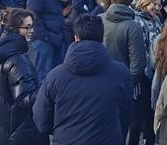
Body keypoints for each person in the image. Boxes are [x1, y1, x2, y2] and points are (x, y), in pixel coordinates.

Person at [33, 14, 133, 145]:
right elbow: (126, 113)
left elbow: (42, 120)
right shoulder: (121, 73)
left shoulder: (54, 76)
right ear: (103, 39)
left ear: (76, 38)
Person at [0, 8, 45, 145]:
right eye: (27, 27)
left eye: (32, 26)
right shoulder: (17, 59)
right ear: (14, 28)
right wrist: (47, 90)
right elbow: (24, 99)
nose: (31, 31)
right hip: (15, 131)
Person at [130, 0, 163, 145]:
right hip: (142, 73)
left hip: (155, 71)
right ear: (145, 3)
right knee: (138, 113)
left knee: (152, 110)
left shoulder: (157, 20)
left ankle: (149, 140)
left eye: (159, 5)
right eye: (153, 4)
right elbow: (139, 49)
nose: (156, 8)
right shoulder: (137, 21)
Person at [26, 0, 67, 84]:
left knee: (57, 73)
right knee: (43, 75)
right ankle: (41, 96)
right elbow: (33, 15)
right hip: (44, 38)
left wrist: (64, 0)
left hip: (57, 35)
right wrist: (44, 36)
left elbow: (55, 9)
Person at [102, 0, 146, 89]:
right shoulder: (134, 27)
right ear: (131, 0)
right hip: (122, 83)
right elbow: (137, 66)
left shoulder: (98, 19)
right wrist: (127, 86)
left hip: (100, 82)